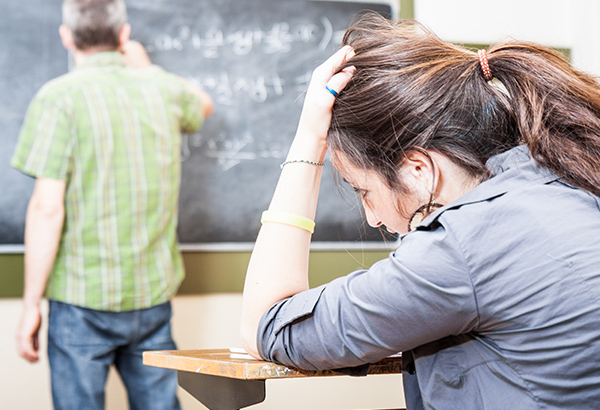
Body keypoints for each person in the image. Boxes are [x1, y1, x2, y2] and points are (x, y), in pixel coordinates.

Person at [240, 13, 600, 409]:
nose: (373, 218)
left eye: (364, 190)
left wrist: (309, 140)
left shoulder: (462, 248)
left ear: (418, 170)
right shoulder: (570, 182)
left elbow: (267, 325)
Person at [13, 0, 213, 409]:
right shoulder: (162, 90)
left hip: (80, 298)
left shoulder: (57, 98)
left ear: (67, 36)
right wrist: (148, 67)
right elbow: (203, 103)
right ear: (123, 36)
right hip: (151, 295)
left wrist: (31, 304)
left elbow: (47, 209)